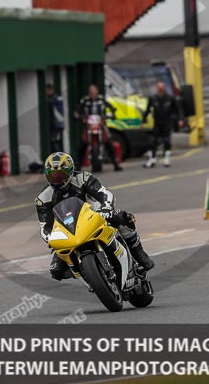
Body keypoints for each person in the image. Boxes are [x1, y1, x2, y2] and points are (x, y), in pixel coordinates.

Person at [35, 151, 154, 280]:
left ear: (70, 172)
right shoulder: (43, 198)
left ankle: (139, 254)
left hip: (95, 215)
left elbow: (104, 193)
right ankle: (88, 274)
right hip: (69, 231)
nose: (57, 180)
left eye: (60, 175)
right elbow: (44, 226)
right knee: (56, 271)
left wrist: (106, 207)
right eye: (52, 176)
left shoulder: (83, 178)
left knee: (125, 218)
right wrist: (51, 239)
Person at [75, 84, 123, 171]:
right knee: (82, 145)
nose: (92, 93)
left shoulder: (102, 100)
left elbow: (111, 108)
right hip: (89, 126)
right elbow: (78, 110)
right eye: (91, 92)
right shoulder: (85, 101)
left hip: (100, 125)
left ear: (97, 91)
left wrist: (112, 114)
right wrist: (79, 116)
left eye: (94, 91)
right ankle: (78, 166)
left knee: (109, 143)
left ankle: (116, 164)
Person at [142, 80, 181, 168]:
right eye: (159, 88)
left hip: (167, 122)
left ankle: (166, 158)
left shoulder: (170, 98)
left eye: (162, 88)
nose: (160, 90)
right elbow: (147, 110)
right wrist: (143, 120)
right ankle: (153, 158)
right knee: (153, 141)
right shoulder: (152, 98)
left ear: (164, 88)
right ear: (157, 89)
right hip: (156, 122)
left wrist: (179, 119)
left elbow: (177, 110)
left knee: (167, 140)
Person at [45, 83, 65, 153]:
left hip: (57, 125)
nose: (47, 92)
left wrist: (58, 124)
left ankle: (60, 158)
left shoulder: (56, 99)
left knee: (55, 142)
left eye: (48, 90)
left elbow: (58, 114)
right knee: (53, 142)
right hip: (53, 124)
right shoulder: (49, 99)